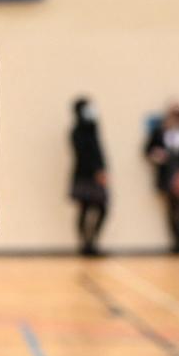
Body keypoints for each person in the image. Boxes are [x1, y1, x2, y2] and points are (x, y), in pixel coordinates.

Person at [144, 102, 179, 253]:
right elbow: (148, 150)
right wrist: (157, 155)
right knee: (172, 209)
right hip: (168, 173)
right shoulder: (161, 131)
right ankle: (175, 242)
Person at [70, 97, 108, 257]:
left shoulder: (93, 128)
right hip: (84, 175)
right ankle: (85, 244)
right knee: (85, 208)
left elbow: (99, 151)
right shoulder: (77, 131)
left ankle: (92, 242)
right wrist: (97, 171)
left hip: (94, 174)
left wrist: (103, 169)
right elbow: (85, 154)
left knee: (101, 208)